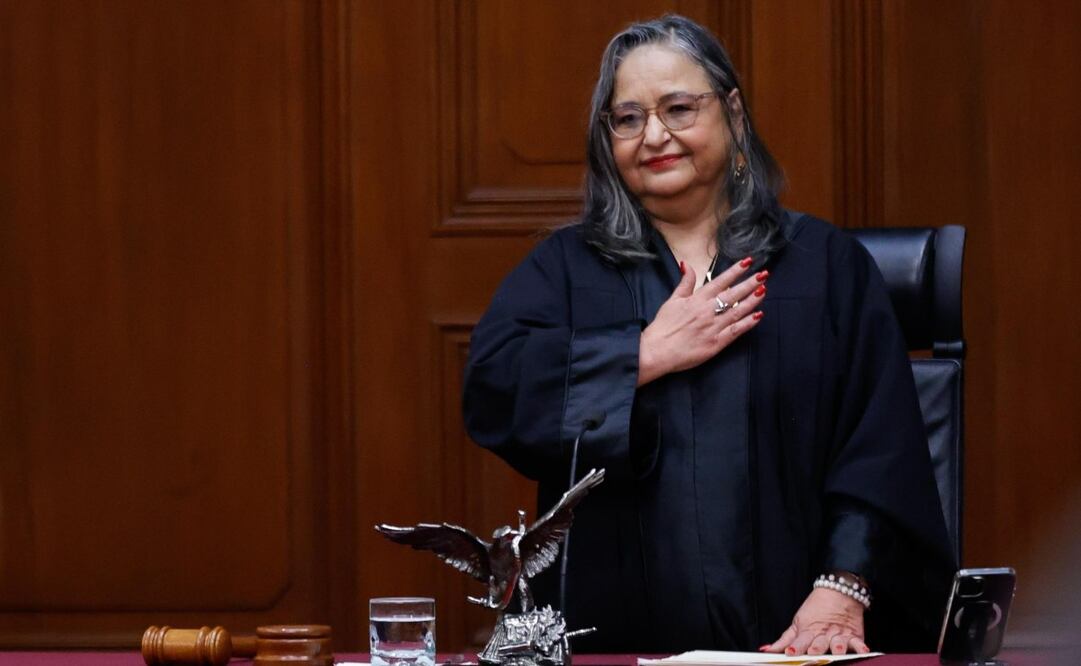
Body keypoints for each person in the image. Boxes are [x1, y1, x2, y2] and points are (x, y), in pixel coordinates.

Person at [462, 14, 954, 656]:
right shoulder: (567, 269)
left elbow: (879, 448)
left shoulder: (826, 268)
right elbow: (494, 389)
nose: (655, 135)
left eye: (678, 108)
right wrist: (640, 356)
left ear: (733, 114)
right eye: (629, 118)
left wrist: (842, 588)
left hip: (802, 644)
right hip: (614, 640)